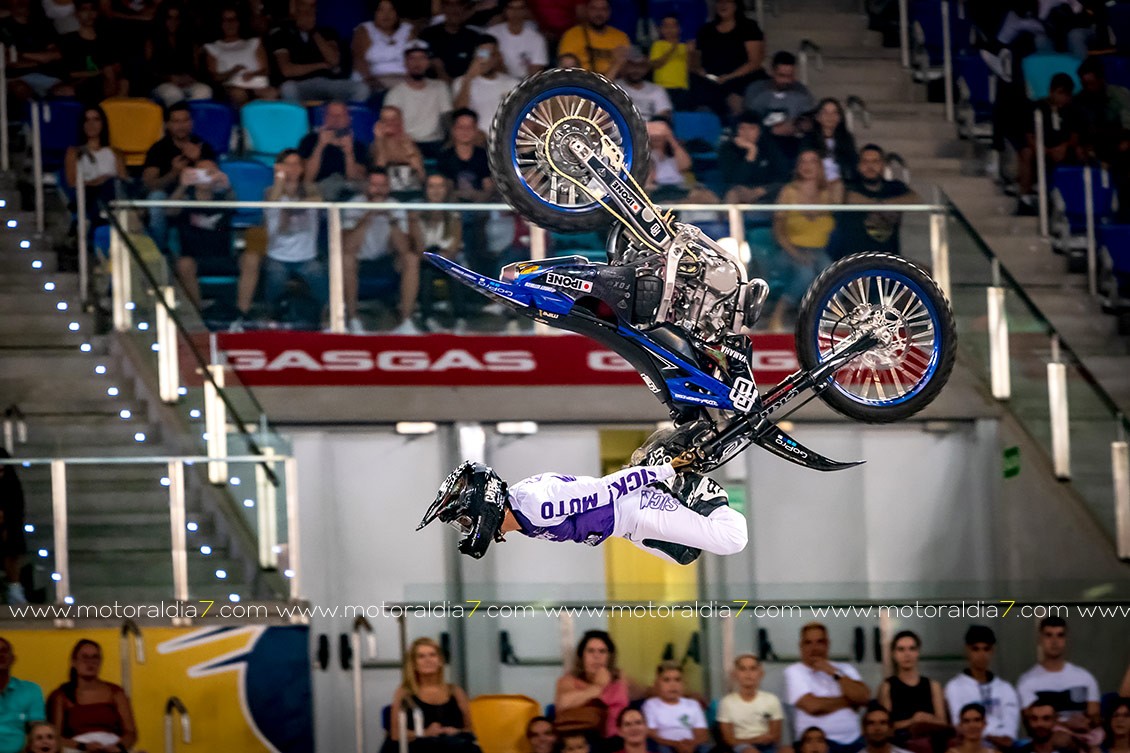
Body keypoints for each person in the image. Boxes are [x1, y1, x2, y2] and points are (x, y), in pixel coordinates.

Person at [418, 458, 747, 566]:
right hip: (624, 527)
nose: (467, 527)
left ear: (483, 504)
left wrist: (665, 471)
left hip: (635, 507)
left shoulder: (535, 504)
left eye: (464, 518)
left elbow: (605, 489)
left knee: (731, 539)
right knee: (686, 555)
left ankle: (696, 490)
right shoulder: (521, 506)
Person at [769, 149, 843, 331]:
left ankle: (834, 320)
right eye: (803, 161)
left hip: (818, 250)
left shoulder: (827, 193)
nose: (807, 166)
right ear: (797, 166)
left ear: (820, 166)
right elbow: (778, 229)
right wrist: (795, 253)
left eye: (813, 161)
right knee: (805, 274)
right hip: (789, 249)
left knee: (832, 275)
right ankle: (776, 317)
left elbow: (840, 197)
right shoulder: (788, 192)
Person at [343, 169, 419, 335]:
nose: (378, 190)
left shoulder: (395, 206)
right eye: (374, 185)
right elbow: (348, 246)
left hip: (385, 260)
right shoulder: (353, 205)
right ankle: (353, 319)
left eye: (382, 185)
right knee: (346, 259)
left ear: (388, 187)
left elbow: (404, 248)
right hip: (359, 261)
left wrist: (391, 219)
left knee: (411, 259)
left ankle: (406, 321)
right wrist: (368, 216)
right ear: (366, 186)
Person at [262, 149, 327, 329]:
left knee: (320, 278)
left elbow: (319, 200)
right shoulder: (270, 191)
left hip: (307, 256)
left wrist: (292, 203)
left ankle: (324, 319)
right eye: (287, 164)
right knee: (275, 279)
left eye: (296, 164)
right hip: (278, 255)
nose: (292, 168)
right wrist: (280, 179)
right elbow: (272, 202)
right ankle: (271, 317)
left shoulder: (310, 189)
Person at [141, 102, 219, 250]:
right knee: (156, 197)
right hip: (167, 196)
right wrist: (174, 173)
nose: (181, 126)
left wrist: (198, 160)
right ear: (167, 125)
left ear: (191, 123)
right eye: (176, 121)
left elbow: (215, 178)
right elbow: (149, 185)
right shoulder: (158, 149)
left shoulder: (203, 146)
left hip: (195, 195)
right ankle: (159, 250)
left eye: (185, 120)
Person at [784, 623, 870, 753]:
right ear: (801, 646)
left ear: (827, 644)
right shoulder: (794, 671)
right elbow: (813, 706)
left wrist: (834, 673)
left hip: (854, 742)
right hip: (817, 746)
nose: (814, 648)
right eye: (808, 643)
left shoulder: (845, 668)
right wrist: (850, 700)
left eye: (820, 642)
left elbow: (864, 697)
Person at [386, 637, 477, 753]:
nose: (428, 660)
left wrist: (456, 732)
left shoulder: (455, 691)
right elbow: (396, 734)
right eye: (421, 656)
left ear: (440, 661)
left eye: (432, 655)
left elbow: (471, 730)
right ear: (414, 664)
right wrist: (425, 733)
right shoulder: (404, 692)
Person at [47, 639, 140, 752]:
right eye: (85, 657)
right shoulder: (61, 695)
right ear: (74, 662)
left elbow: (130, 733)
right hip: (76, 748)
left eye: (95, 657)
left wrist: (118, 747)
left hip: (112, 747)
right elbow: (54, 737)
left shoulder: (115, 692)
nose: (90, 662)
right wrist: (82, 746)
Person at [166, 160, 234, 308]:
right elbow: (170, 211)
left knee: (250, 259)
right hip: (193, 257)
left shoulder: (224, 200)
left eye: (211, 173)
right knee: (184, 264)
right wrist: (183, 185)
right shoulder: (185, 200)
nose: (205, 177)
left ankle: (241, 314)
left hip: (222, 256)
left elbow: (235, 205)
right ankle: (197, 312)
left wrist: (227, 186)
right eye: (201, 173)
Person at [271, 0, 367, 104]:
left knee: (362, 88)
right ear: (295, 8)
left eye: (312, 6)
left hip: (329, 83)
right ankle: (299, 114)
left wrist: (313, 31)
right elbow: (287, 70)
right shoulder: (281, 33)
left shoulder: (327, 32)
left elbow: (334, 60)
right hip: (301, 84)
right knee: (287, 88)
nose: (308, 11)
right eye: (304, 6)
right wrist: (321, 65)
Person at [1016, 73, 1085, 216]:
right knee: (1026, 153)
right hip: (1041, 151)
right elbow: (1029, 136)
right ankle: (1025, 199)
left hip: (1065, 151)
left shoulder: (1073, 110)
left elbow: (1075, 136)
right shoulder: (1036, 108)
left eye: (1066, 94)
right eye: (1060, 93)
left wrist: (1063, 147)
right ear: (1051, 91)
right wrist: (1043, 150)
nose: (1063, 98)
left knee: (1081, 152)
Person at [943, 626, 1020, 752]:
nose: (981, 655)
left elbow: (1009, 736)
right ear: (967, 650)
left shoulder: (1006, 689)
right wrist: (993, 734)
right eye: (976, 649)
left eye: (986, 649)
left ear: (992, 651)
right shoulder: (954, 687)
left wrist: (981, 733)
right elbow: (961, 728)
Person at [837, 144, 918, 258]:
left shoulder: (894, 187)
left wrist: (883, 203)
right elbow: (849, 197)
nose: (870, 166)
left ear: (883, 165)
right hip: (855, 259)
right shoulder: (850, 186)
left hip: (888, 258)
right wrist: (881, 205)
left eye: (875, 161)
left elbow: (914, 198)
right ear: (858, 165)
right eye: (865, 161)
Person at [1015, 618, 1100, 726]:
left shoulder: (1085, 678)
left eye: (1060, 635)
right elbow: (1032, 723)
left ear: (1066, 639)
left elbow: (1094, 718)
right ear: (1040, 639)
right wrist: (1068, 724)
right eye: (1048, 635)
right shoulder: (1027, 682)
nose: (1054, 641)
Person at [688, 0, 765, 118]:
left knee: (736, 95)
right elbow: (696, 60)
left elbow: (755, 62)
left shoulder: (749, 26)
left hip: (741, 76)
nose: (722, 5)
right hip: (711, 78)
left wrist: (729, 77)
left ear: (736, 4)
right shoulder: (706, 30)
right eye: (719, 2)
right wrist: (699, 69)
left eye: (727, 1)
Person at [875, 631, 948, 753]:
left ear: (918, 652)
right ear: (894, 654)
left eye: (912, 649)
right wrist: (913, 721)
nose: (907, 654)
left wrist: (926, 720)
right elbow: (885, 726)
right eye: (901, 649)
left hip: (931, 745)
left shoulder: (933, 685)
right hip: (900, 745)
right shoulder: (887, 686)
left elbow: (943, 722)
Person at [411, 174, 468, 331]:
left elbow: (455, 243)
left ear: (446, 189)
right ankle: (428, 318)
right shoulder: (416, 213)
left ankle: (461, 318)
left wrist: (446, 256)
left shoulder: (454, 213)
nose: (436, 191)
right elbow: (418, 246)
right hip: (426, 257)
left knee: (456, 271)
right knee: (426, 273)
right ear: (425, 190)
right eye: (431, 186)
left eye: (440, 186)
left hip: (447, 257)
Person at [553, 631, 632, 738]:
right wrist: (598, 687)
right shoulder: (569, 680)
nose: (596, 656)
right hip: (580, 738)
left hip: (617, 739)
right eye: (590, 651)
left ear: (609, 657)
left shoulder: (619, 678)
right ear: (582, 656)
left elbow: (644, 692)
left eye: (602, 651)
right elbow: (562, 704)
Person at [64, 105, 126, 240]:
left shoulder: (115, 152)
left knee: (110, 185)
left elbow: (122, 180)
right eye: (87, 120)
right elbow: (72, 183)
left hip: (111, 195)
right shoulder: (74, 152)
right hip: (86, 194)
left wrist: (106, 181)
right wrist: (97, 181)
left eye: (96, 120)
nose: (91, 124)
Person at [384, 41, 454, 156]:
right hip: (406, 143)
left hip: (436, 143)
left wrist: (452, 140)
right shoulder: (395, 93)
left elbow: (447, 117)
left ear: (428, 62)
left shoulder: (440, 87)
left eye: (422, 58)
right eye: (412, 58)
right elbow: (390, 125)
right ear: (405, 63)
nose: (417, 63)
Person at [744, 52, 815, 163]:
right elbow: (747, 120)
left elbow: (809, 120)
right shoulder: (756, 90)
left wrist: (798, 126)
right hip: (761, 142)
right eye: (782, 76)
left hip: (792, 143)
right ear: (772, 72)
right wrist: (771, 130)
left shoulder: (802, 92)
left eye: (790, 76)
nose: (786, 81)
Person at [204, 6, 277, 106]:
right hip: (231, 86)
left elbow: (266, 70)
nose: (230, 24)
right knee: (239, 94)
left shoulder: (254, 42)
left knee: (271, 93)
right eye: (226, 20)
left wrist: (253, 74)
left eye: (233, 20)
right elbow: (215, 76)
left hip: (256, 83)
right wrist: (233, 71)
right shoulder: (213, 47)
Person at [296, 100, 371, 198]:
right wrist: (320, 146)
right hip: (316, 192)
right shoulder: (309, 141)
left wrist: (349, 153)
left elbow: (356, 180)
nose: (336, 119)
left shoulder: (358, 146)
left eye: (340, 115)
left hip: (347, 193)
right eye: (331, 115)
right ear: (325, 118)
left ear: (348, 119)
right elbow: (307, 178)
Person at [56, 0, 125, 104]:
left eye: (93, 10)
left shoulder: (106, 40)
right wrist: (99, 72)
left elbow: (115, 67)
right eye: (84, 10)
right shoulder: (68, 40)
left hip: (104, 83)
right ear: (77, 14)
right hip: (81, 83)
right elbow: (69, 73)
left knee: (122, 82)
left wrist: (111, 70)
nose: (89, 14)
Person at [145, 2, 212, 106]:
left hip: (186, 83)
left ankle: (190, 116)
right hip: (161, 84)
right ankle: (178, 116)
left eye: (177, 18)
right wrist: (169, 78)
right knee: (173, 93)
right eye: (169, 18)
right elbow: (148, 70)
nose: (173, 22)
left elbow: (196, 69)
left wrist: (189, 78)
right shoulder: (152, 41)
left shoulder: (189, 41)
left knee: (204, 91)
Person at [1, 0, 64, 103]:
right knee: (20, 89)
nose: (21, 3)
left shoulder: (42, 23)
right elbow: (8, 62)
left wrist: (19, 54)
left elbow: (55, 55)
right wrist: (38, 59)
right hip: (17, 78)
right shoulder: (3, 27)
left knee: (65, 91)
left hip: (48, 75)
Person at [717, 654, 783, 753]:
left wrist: (764, 740)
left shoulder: (772, 700)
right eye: (742, 669)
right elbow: (729, 739)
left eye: (753, 669)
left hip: (767, 746)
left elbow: (775, 735)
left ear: (761, 673)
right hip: (740, 747)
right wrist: (754, 740)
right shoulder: (727, 702)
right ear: (735, 674)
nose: (748, 674)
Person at [644, 118, 719, 204]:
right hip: (657, 191)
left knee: (710, 197)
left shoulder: (677, 151)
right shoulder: (645, 154)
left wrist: (670, 137)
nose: (657, 137)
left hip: (680, 189)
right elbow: (648, 178)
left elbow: (686, 166)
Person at [719, 111, 788, 204]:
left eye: (752, 128)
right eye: (742, 128)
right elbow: (735, 180)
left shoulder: (770, 147)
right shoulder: (728, 149)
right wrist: (751, 151)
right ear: (736, 131)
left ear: (760, 131)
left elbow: (783, 175)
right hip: (739, 192)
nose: (746, 133)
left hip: (767, 192)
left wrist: (760, 191)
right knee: (733, 192)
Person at [453, 37, 519, 132]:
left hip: (504, 136)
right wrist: (468, 79)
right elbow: (459, 112)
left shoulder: (513, 83)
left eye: (491, 54)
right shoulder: (461, 82)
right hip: (477, 137)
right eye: (483, 54)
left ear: (498, 57)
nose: (487, 60)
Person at [642, 662, 710, 753]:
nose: (673, 685)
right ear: (657, 683)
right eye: (666, 680)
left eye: (677, 680)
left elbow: (702, 734)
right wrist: (676, 744)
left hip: (692, 746)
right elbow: (652, 735)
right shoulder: (651, 705)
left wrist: (691, 746)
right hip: (665, 747)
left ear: (683, 684)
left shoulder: (693, 704)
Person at [351, 0, 413, 95]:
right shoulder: (364, 30)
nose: (386, 15)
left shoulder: (408, 29)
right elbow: (359, 60)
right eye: (381, 10)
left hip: (403, 79)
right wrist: (371, 80)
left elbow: (415, 57)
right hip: (372, 80)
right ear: (374, 13)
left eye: (391, 10)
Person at [557, 0, 631, 78]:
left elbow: (626, 68)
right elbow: (566, 64)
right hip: (581, 79)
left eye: (603, 9)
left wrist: (618, 63)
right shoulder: (573, 34)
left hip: (615, 81)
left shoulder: (620, 36)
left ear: (609, 12)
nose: (599, 13)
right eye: (594, 8)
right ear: (586, 11)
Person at [419, 0, 486, 82]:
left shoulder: (475, 36)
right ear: (443, 8)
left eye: (459, 5)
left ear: (465, 9)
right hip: (433, 85)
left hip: (466, 84)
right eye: (449, 5)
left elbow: (484, 58)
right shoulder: (427, 35)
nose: (454, 9)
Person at [437, 109, 494, 202]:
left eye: (469, 127)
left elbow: (488, 188)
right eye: (461, 127)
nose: (465, 131)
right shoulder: (445, 156)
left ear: (476, 130)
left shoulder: (484, 156)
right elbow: (447, 188)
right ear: (453, 130)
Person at [0, 637, 45, 752]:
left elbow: (37, 730)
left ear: (13, 659)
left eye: (4, 651)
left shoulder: (31, 690)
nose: (0, 655)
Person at [371, 105, 426, 198]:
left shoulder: (410, 143)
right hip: (386, 196)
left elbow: (421, 176)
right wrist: (380, 141)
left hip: (413, 194)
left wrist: (409, 149)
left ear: (401, 121)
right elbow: (380, 170)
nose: (390, 123)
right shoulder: (375, 146)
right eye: (385, 120)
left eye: (393, 119)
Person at [802, 99, 858, 184]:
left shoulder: (847, 140)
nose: (830, 116)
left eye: (834, 113)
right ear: (818, 117)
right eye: (825, 112)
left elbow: (852, 166)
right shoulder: (808, 140)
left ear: (839, 117)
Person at [486, 0, 547, 79]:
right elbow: (482, 56)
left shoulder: (537, 38)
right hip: (496, 79)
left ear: (526, 11)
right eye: (511, 8)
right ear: (505, 10)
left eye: (520, 8)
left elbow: (536, 69)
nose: (516, 12)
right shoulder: (491, 33)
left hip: (524, 82)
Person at [0, 453, 30, 606]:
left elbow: (17, 506)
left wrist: (6, 517)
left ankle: (14, 589)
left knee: (12, 541)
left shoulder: (11, 484)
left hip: (9, 525)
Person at [618, 48, 673, 121]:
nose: (636, 70)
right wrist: (617, 63)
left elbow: (664, 115)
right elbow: (601, 90)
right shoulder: (615, 87)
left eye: (640, 66)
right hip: (621, 124)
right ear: (624, 67)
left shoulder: (657, 89)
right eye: (632, 66)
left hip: (649, 125)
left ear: (646, 68)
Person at [649, 16, 689, 110]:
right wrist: (673, 48)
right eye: (666, 26)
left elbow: (691, 67)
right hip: (662, 87)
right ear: (660, 29)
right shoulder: (657, 45)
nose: (669, 29)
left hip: (681, 87)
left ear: (680, 28)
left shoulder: (684, 47)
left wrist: (692, 53)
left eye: (673, 26)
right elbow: (656, 64)